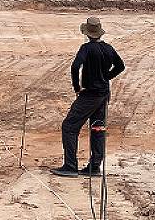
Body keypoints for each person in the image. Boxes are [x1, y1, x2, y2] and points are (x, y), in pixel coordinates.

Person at [52, 17, 125, 178]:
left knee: (69, 126)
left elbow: (75, 66)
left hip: (89, 94)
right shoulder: (108, 48)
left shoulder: (86, 48)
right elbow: (121, 66)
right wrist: (106, 77)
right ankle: (94, 166)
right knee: (98, 128)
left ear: (87, 33)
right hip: (103, 94)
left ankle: (70, 166)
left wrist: (77, 88)